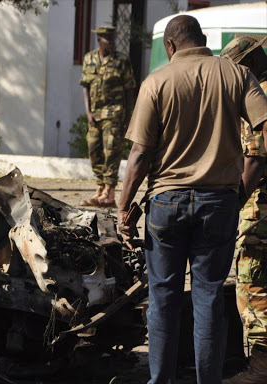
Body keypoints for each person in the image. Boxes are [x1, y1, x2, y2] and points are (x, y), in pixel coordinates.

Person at [117, 15, 267, 384]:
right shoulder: (236, 75)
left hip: (166, 203)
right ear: (203, 40)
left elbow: (139, 154)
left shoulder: (156, 81)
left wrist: (123, 207)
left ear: (170, 46)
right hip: (219, 203)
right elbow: (264, 132)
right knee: (208, 297)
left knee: (164, 297)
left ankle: (160, 380)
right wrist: (239, 193)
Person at [220, 36, 267, 384]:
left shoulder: (258, 94)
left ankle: (261, 369)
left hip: (260, 211)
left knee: (252, 285)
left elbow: (254, 159)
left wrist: (235, 204)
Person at [79, 25, 135, 207]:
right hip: (94, 114)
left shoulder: (121, 61)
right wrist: (88, 112)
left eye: (112, 38)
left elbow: (129, 90)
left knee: (112, 151)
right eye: (107, 39)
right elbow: (85, 87)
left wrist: (129, 118)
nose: (111, 42)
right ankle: (100, 187)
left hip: (114, 113)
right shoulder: (89, 59)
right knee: (94, 150)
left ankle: (109, 193)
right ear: (99, 40)